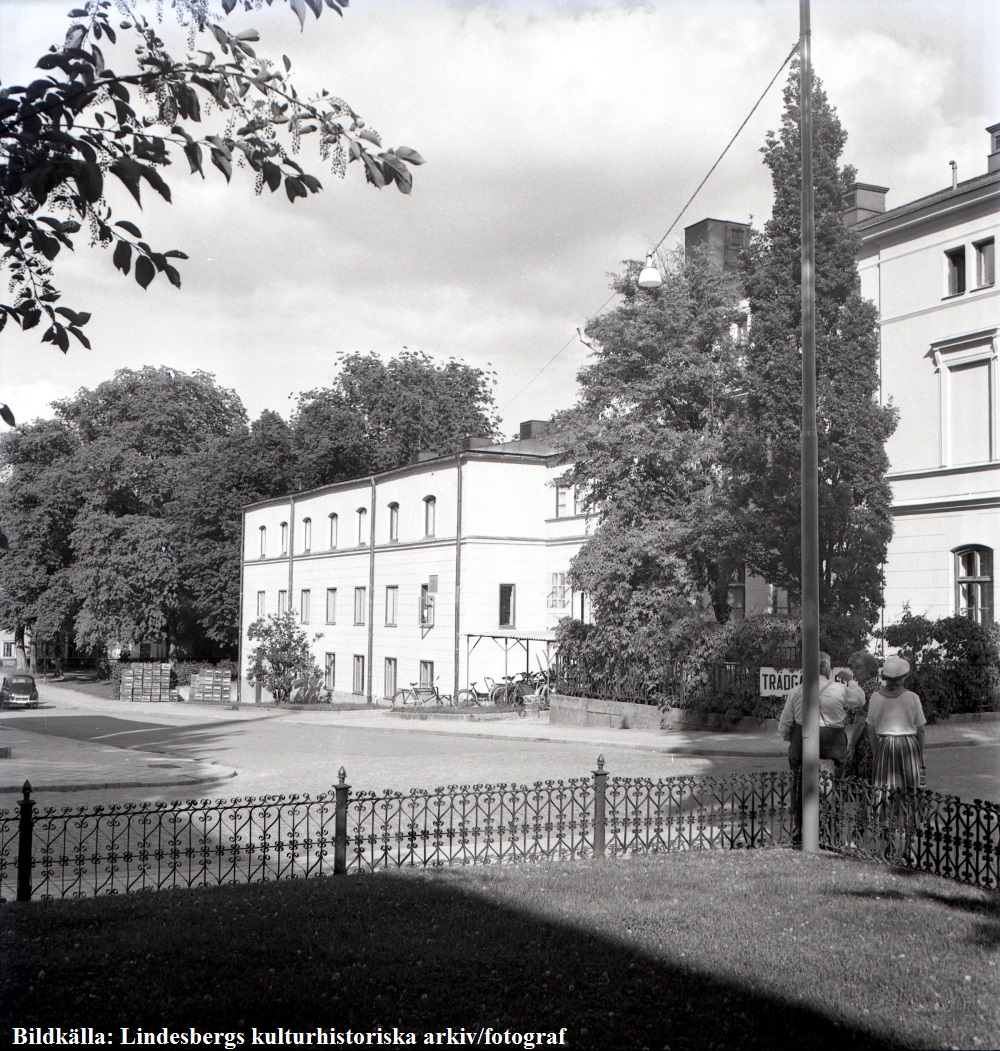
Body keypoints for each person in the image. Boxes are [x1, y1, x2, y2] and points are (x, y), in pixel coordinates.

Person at [778, 651, 866, 845]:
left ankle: (800, 831)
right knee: (834, 786)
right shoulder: (839, 689)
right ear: (827, 668)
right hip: (833, 743)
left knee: (799, 785)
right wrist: (851, 681)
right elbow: (860, 700)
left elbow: (783, 725)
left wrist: (791, 739)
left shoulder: (796, 691)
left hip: (803, 740)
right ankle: (833, 832)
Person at [867, 655, 927, 859]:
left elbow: (871, 729)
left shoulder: (876, 697)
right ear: (903, 677)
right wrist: (920, 755)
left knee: (885, 795)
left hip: (885, 746)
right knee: (911, 795)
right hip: (908, 746)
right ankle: (909, 846)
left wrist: (878, 753)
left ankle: (888, 843)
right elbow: (920, 730)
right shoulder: (912, 697)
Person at [840, 650, 881, 781]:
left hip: (865, 741)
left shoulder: (866, 689)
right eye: (853, 668)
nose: (854, 671)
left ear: (869, 670)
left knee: (862, 781)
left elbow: (860, 720)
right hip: (875, 737)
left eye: (858, 667)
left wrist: (851, 745)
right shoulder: (876, 686)